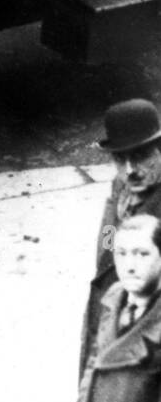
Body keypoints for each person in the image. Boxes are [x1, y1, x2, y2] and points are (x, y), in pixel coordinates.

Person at [80, 99, 161, 377]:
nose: (129, 170)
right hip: (109, 307)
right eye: (120, 158)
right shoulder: (121, 186)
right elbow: (107, 235)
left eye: (139, 156)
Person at [77, 214, 161, 402]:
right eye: (121, 255)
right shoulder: (112, 297)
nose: (130, 266)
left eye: (142, 255)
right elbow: (92, 366)